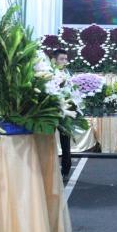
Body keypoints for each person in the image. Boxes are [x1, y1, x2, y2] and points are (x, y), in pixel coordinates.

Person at [53, 48, 72, 178]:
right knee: (48, 140)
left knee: (66, 141)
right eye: (61, 59)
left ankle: (66, 168)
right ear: (54, 60)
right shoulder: (50, 72)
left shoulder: (68, 72)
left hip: (66, 110)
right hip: (52, 110)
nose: (64, 61)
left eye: (66, 59)